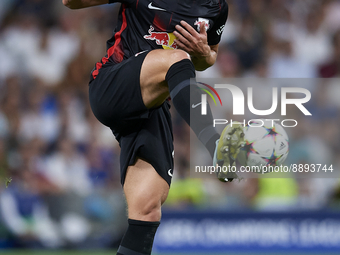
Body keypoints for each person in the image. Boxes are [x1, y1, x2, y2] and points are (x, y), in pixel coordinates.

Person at [62, 0, 244, 254]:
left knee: (146, 212)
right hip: (112, 83)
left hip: (152, 105)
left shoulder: (216, 7)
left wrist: (205, 55)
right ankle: (215, 144)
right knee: (178, 58)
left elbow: (208, 56)